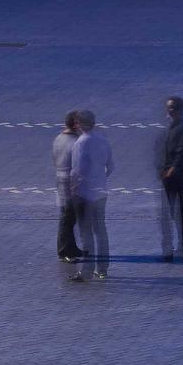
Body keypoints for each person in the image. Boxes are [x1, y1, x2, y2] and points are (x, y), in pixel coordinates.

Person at [54, 108, 112, 280]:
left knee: (86, 233)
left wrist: (74, 189)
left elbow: (76, 172)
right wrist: (100, 179)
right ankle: (102, 269)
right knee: (101, 231)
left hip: (84, 194)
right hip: (101, 193)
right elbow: (111, 166)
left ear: (79, 124)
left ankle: (86, 271)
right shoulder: (103, 140)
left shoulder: (80, 143)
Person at [154, 95, 183, 263]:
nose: (168, 110)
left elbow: (182, 153)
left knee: (177, 212)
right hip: (170, 175)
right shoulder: (173, 127)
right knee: (176, 212)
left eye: (172, 107)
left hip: (176, 177)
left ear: (180, 110)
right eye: (168, 107)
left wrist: (171, 170)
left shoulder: (182, 129)